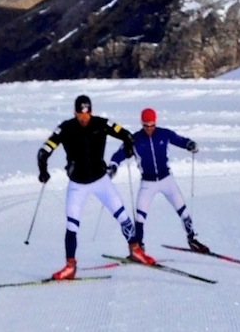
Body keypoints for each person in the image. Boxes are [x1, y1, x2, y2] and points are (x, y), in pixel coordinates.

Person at [37, 94, 156, 280]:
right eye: (80, 114)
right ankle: (70, 266)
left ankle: (135, 250)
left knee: (123, 215)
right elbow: (44, 151)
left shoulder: (101, 123)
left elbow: (126, 135)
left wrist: (129, 146)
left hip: (101, 181)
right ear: (75, 113)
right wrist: (43, 170)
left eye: (87, 113)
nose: (84, 118)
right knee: (71, 226)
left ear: (91, 111)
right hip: (78, 184)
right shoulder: (66, 128)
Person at [108, 107, 210, 253]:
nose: (149, 129)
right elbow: (118, 155)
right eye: (146, 126)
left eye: (152, 125)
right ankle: (139, 248)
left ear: (155, 123)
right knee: (140, 217)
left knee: (183, 210)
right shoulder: (135, 139)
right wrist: (113, 166)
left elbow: (180, 140)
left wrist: (189, 144)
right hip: (148, 183)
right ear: (142, 124)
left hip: (166, 179)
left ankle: (192, 239)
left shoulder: (164, 134)